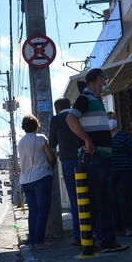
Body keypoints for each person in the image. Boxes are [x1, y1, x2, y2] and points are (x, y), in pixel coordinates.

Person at [67, 68, 128, 253]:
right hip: (95, 158)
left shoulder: (97, 100)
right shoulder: (85, 98)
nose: (105, 84)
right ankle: (104, 240)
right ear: (97, 79)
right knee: (99, 200)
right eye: (104, 80)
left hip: (103, 157)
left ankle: (102, 239)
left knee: (103, 199)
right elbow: (70, 119)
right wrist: (86, 139)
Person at [18, 114, 57, 249]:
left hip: (25, 180)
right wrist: (50, 170)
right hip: (41, 177)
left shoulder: (21, 142)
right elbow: (51, 157)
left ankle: (34, 239)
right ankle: (39, 241)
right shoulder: (40, 138)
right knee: (43, 210)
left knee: (33, 210)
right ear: (37, 126)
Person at [49, 97, 83, 245]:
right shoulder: (79, 115)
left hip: (68, 161)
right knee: (91, 196)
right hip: (85, 158)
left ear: (57, 109)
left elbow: (52, 142)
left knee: (75, 200)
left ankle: (79, 236)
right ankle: (94, 232)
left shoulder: (56, 119)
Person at [108, 112, 132, 236]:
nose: (111, 120)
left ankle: (129, 227)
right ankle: (118, 228)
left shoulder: (124, 136)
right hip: (110, 173)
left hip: (125, 172)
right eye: (108, 118)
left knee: (124, 199)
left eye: (113, 118)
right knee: (113, 200)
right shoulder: (104, 138)